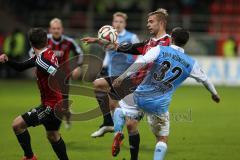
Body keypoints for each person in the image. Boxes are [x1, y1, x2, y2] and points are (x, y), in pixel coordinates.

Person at [113, 27, 221, 160]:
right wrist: (214, 94)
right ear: (185, 42)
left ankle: (118, 132)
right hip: (159, 105)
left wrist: (123, 76)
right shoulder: (191, 63)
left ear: (172, 38)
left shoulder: (160, 49)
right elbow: (205, 80)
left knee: (121, 109)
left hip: (140, 96)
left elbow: (141, 62)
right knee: (162, 138)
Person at [82, 8, 170, 139]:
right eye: (148, 22)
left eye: (151, 22)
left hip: (143, 84)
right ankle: (111, 125)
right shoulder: (149, 42)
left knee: (132, 121)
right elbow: (127, 48)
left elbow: (139, 57)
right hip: (130, 78)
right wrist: (98, 40)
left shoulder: (168, 42)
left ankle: (118, 130)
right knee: (102, 90)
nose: (148, 25)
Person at [0, 28, 69, 160]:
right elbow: (21, 67)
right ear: (47, 41)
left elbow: (58, 74)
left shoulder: (41, 60)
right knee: (53, 135)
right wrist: (7, 60)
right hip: (56, 104)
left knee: (17, 125)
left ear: (31, 44)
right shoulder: (45, 54)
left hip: (51, 107)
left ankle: (30, 157)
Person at [82, 12, 140, 138]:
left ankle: (114, 126)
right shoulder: (108, 37)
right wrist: (101, 67)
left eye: (121, 22)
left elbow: (140, 56)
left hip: (128, 77)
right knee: (109, 100)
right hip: (113, 77)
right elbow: (108, 56)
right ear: (112, 23)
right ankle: (112, 127)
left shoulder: (132, 37)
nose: (118, 24)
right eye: (116, 21)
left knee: (119, 108)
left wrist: (134, 71)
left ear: (125, 24)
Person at [29, 18, 84, 129]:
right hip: (47, 77)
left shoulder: (69, 42)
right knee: (50, 102)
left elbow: (80, 53)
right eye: (54, 28)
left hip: (63, 77)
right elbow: (31, 51)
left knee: (64, 104)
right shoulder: (44, 40)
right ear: (50, 29)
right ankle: (53, 128)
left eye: (58, 28)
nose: (56, 30)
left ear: (62, 29)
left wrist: (78, 67)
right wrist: (37, 63)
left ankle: (67, 117)